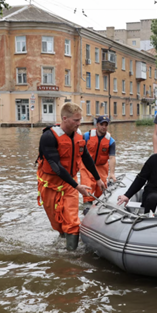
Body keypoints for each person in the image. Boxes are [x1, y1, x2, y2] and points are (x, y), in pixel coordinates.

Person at [36, 103, 105, 251]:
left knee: (72, 220)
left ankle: (71, 256)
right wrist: (77, 186)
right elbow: (56, 166)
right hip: (50, 183)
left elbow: (86, 157)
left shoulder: (79, 135)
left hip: (70, 183)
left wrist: (97, 178)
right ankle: (63, 238)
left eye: (80, 120)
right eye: (76, 120)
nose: (79, 123)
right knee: (57, 222)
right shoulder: (48, 137)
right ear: (64, 118)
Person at [80, 115, 116, 203]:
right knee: (87, 189)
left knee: (101, 191)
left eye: (106, 125)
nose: (104, 127)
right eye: (101, 124)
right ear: (97, 125)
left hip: (102, 168)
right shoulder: (86, 136)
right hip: (87, 167)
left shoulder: (111, 141)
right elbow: (79, 152)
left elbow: (112, 157)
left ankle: (97, 207)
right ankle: (86, 207)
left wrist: (111, 173)